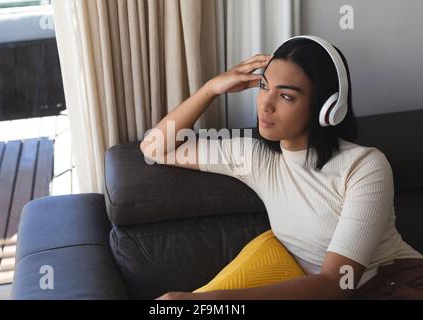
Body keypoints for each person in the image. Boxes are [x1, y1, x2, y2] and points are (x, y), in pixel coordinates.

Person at [140, 37, 423, 300]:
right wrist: (211, 89)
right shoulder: (255, 158)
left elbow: (338, 282)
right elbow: (154, 148)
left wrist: (205, 301)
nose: (266, 105)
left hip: (396, 286)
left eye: (286, 96)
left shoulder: (365, 166)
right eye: (264, 87)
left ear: (327, 107)